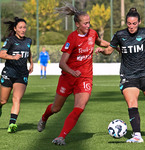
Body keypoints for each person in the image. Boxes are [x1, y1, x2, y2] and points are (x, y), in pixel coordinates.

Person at [95, 8, 145, 143]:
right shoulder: (120, 35)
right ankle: (137, 135)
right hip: (128, 75)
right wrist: (102, 51)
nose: (131, 26)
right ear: (126, 23)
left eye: (134, 23)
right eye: (129, 23)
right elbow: (109, 50)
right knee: (132, 103)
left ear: (139, 22)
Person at [37, 3, 110, 146]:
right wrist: (72, 72)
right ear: (77, 24)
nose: (88, 25)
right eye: (85, 23)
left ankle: (61, 136)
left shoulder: (93, 34)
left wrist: (114, 46)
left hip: (85, 78)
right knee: (56, 109)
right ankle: (44, 117)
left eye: (89, 22)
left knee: (79, 107)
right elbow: (62, 63)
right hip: (68, 78)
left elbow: (101, 42)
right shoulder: (72, 38)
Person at [0, 17, 33, 133]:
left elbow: (28, 52)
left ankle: (12, 124)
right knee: (3, 101)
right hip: (9, 73)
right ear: (15, 29)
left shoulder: (28, 41)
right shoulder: (10, 40)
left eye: (24, 27)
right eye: (20, 27)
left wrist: (31, 63)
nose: (23, 30)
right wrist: (13, 57)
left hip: (22, 74)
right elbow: (1, 54)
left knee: (17, 99)